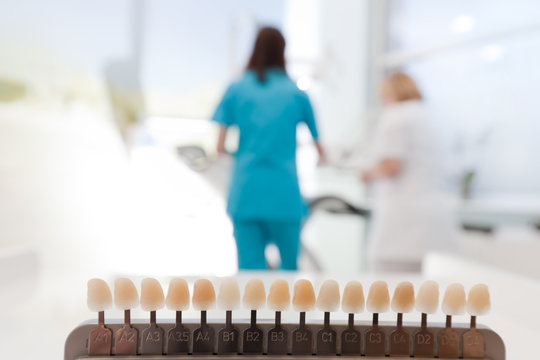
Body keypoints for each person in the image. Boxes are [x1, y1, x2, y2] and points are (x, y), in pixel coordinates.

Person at [212, 27, 324, 270]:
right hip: (284, 193)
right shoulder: (296, 93)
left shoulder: (237, 89)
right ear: (283, 51)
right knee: (288, 277)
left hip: (247, 192)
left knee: (249, 275)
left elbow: (219, 148)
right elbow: (321, 150)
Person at [361, 72, 456, 272]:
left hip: (402, 226)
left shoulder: (396, 116)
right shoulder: (428, 116)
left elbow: (391, 166)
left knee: (387, 293)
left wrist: (367, 173)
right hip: (435, 222)